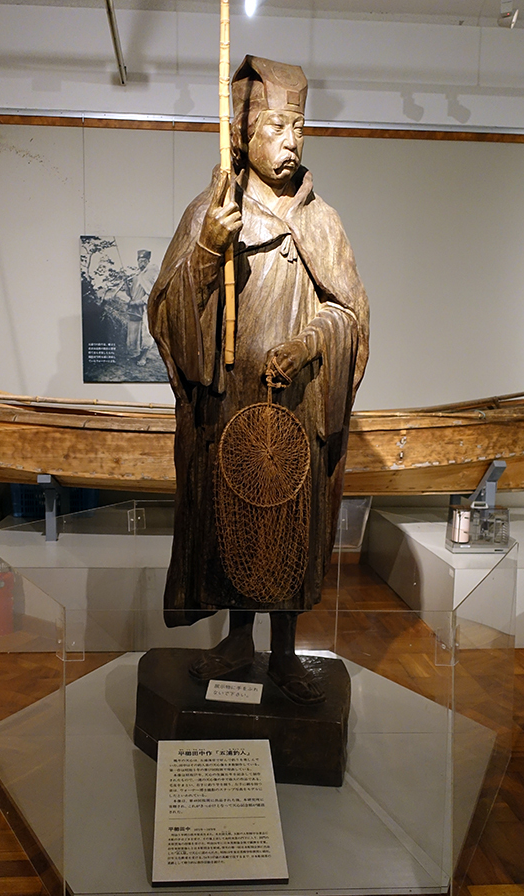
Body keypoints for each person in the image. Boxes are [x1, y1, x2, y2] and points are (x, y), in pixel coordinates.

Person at [148, 55, 369, 704]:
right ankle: (238, 639)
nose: (291, 141)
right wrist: (206, 250)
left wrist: (307, 345)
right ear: (243, 135)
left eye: (299, 127)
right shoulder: (213, 211)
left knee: (289, 523)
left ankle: (284, 651)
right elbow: (168, 311)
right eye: (276, 127)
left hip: (295, 404)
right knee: (235, 521)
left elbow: (348, 314)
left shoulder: (322, 221)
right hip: (231, 404)